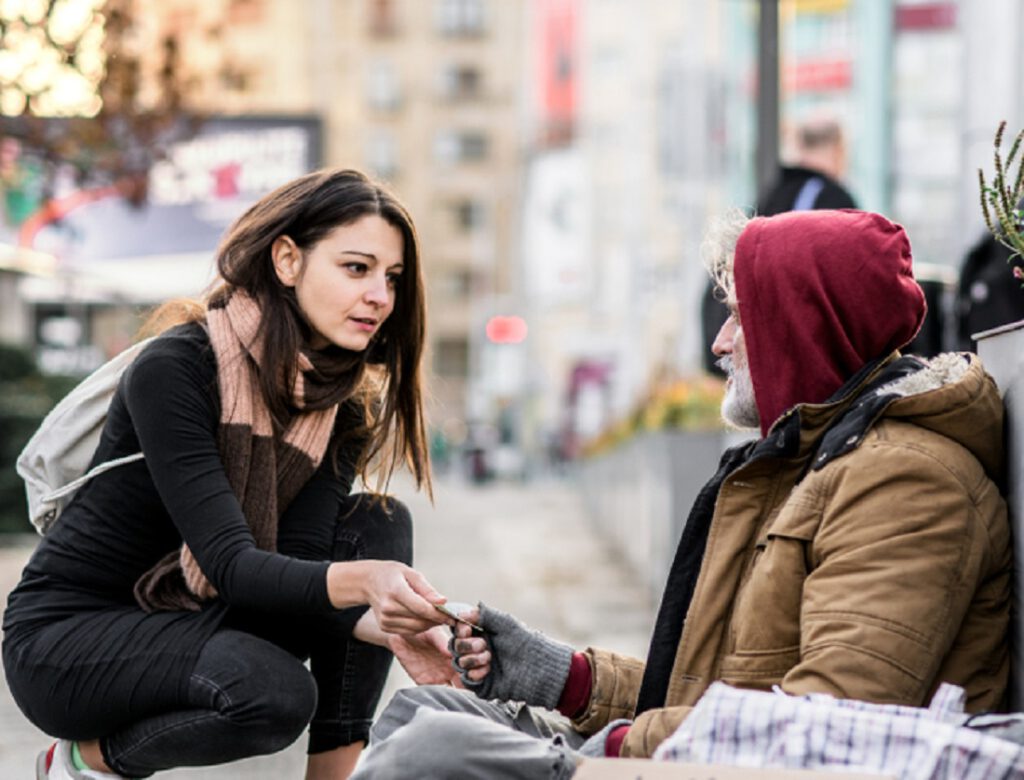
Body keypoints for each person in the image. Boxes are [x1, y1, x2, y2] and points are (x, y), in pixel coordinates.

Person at [352, 209, 1011, 778]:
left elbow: (824, 727)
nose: (719, 344)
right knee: (424, 711)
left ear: (801, 326)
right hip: (711, 756)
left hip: (757, 770)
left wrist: (611, 746)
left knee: (431, 751)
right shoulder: (813, 461)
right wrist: (560, 675)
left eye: (738, 317)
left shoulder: (909, 482)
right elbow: (712, 696)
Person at [3, 169, 462, 780]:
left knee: (374, 523)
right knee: (273, 695)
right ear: (287, 260)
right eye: (357, 268)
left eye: (393, 278)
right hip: (71, 640)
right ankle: (84, 764)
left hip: (195, 617)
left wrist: (395, 629)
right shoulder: (176, 367)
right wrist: (368, 584)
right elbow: (232, 566)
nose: (381, 295)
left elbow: (296, 566)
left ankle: (337, 773)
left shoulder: (338, 406)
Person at [700, 118, 858, 374]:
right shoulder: (833, 198)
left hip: (752, 350)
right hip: (793, 357)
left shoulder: (775, 192)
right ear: (839, 149)